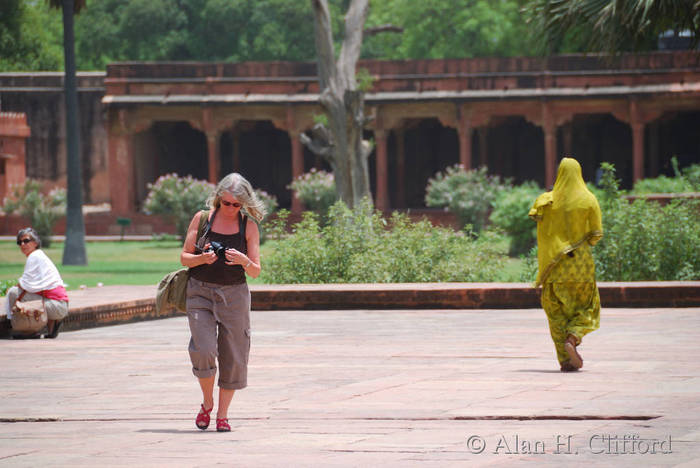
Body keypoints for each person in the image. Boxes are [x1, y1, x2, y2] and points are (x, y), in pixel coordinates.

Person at [180, 173, 266, 432]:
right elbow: (184, 257)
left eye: (236, 205)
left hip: (235, 295)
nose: (230, 209)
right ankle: (207, 402)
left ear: (244, 204)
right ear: (218, 199)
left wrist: (243, 261)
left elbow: (255, 271)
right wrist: (201, 259)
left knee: (234, 354)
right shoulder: (202, 218)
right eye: (225, 203)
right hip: (200, 292)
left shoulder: (248, 226)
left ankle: (222, 414)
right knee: (203, 348)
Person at [529, 158, 603, 372]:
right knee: (587, 306)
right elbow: (596, 235)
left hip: (556, 268)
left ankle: (565, 360)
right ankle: (573, 336)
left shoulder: (546, 201)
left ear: (559, 174)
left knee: (556, 312)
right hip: (581, 266)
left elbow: (541, 229)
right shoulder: (589, 199)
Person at [5, 228, 69, 339]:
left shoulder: (34, 256)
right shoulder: (39, 255)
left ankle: (28, 330)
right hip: (60, 306)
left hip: (56, 307)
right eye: (19, 242)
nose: (22, 244)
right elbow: (32, 285)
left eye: (26, 241)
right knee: (21, 293)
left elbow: (24, 285)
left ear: (35, 243)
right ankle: (51, 325)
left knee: (13, 293)